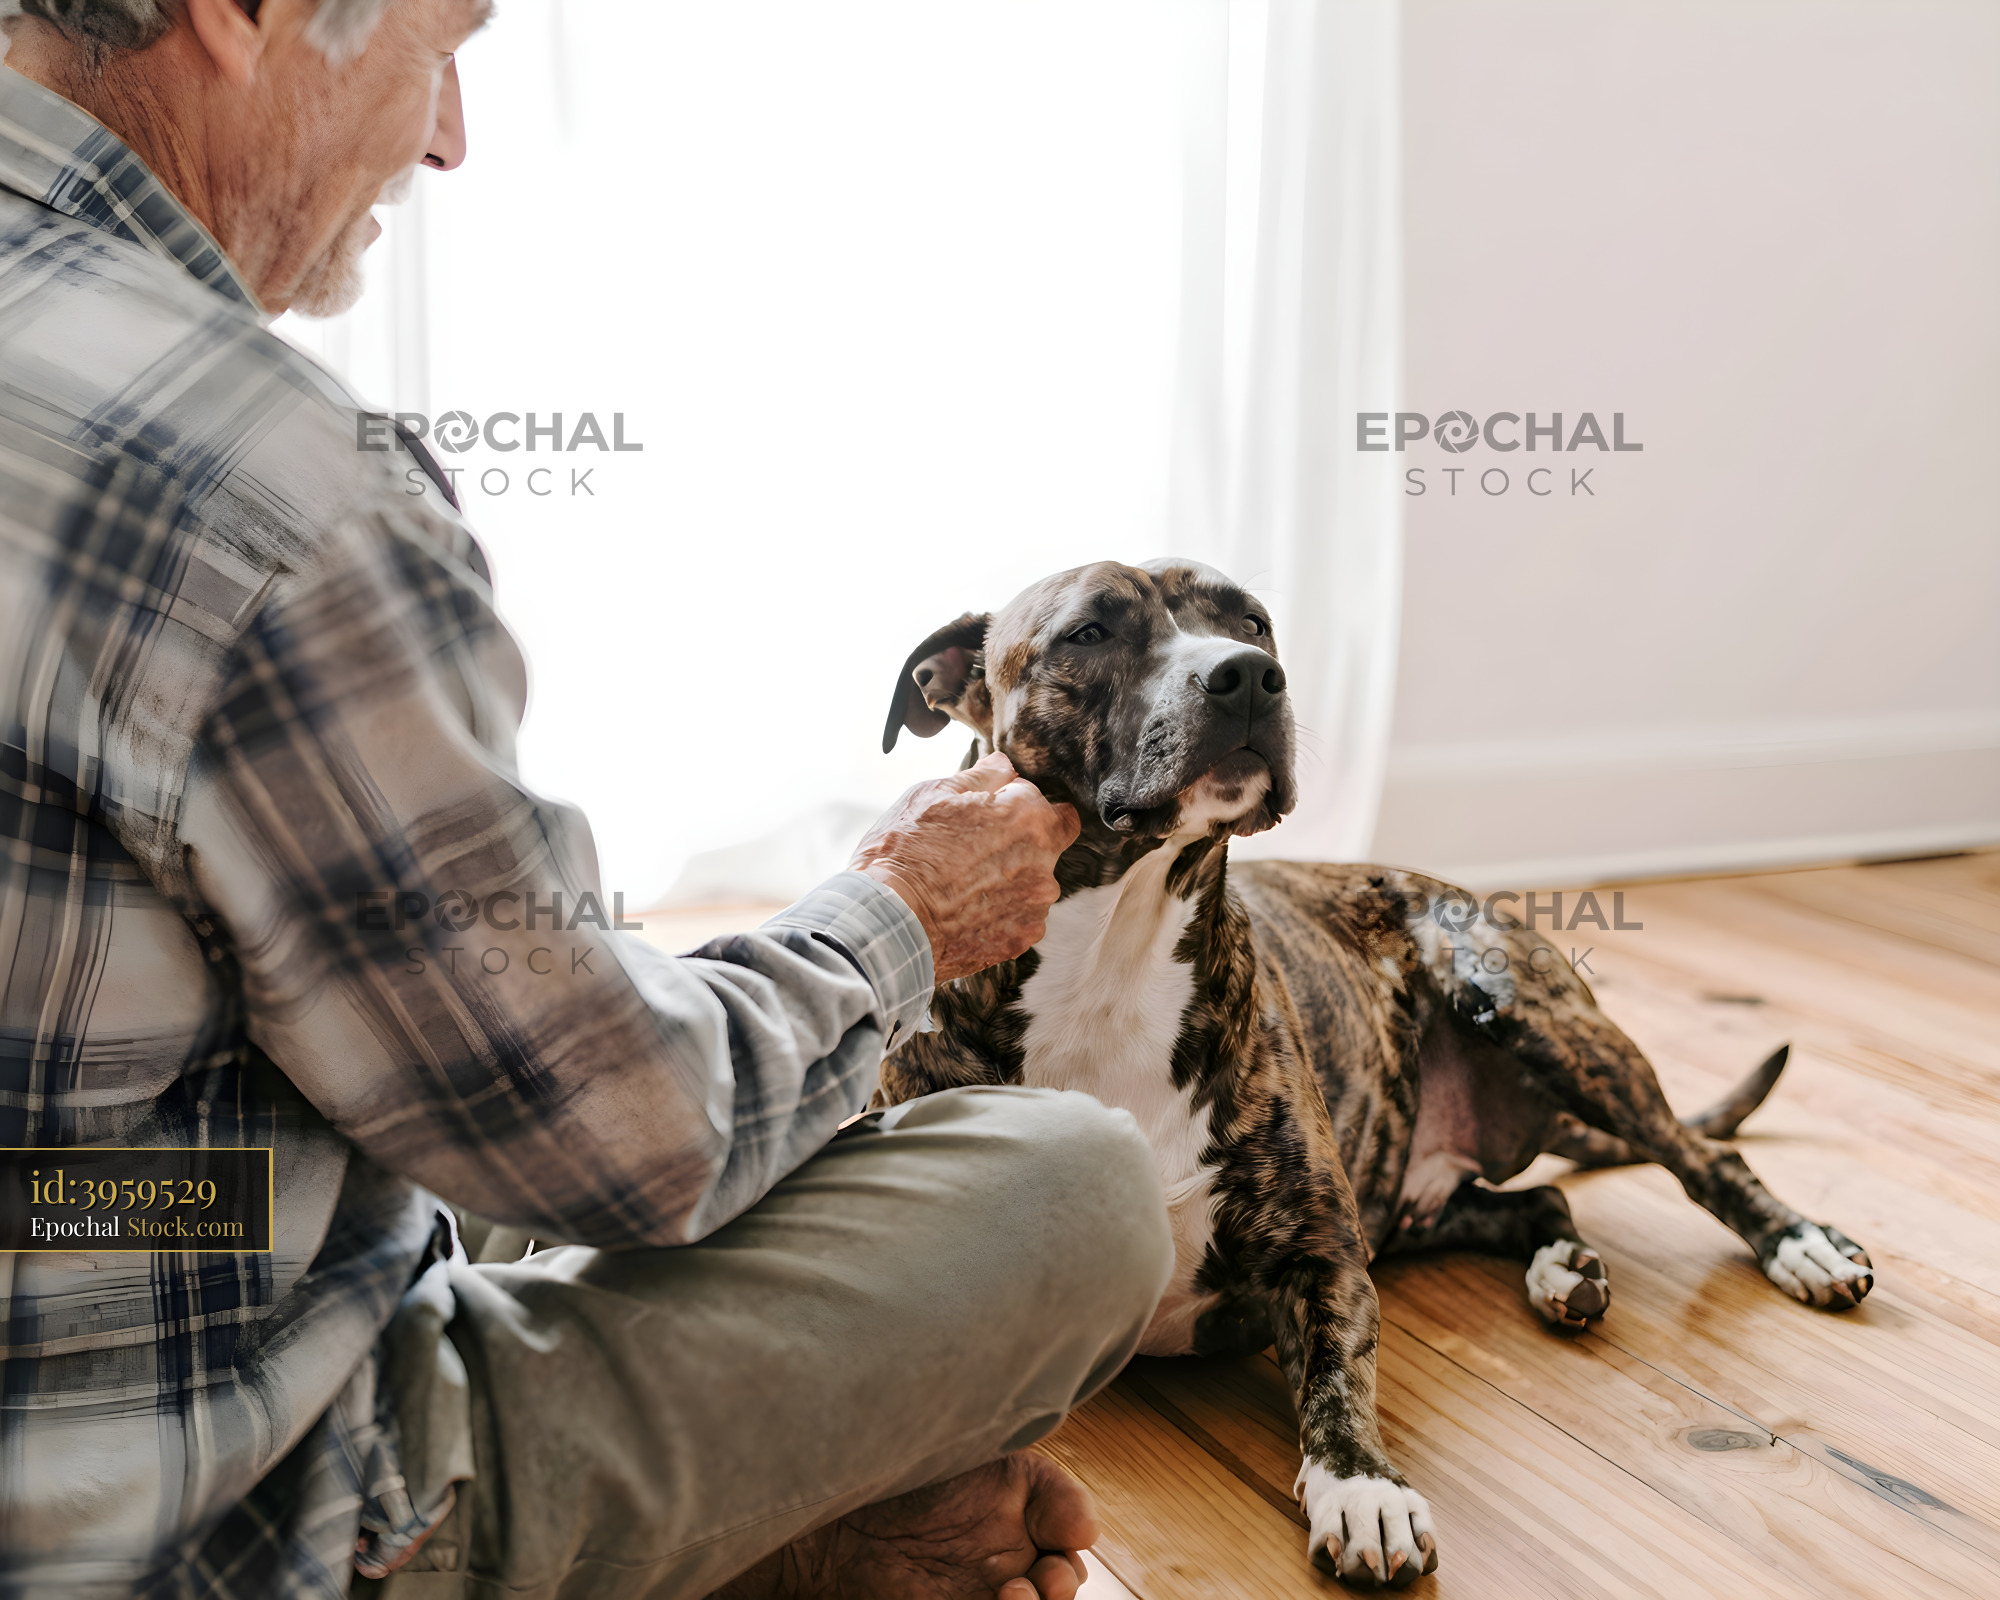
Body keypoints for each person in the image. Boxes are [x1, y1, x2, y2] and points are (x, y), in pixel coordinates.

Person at [0, 2, 1175, 1596]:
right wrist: (898, 912)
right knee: (1077, 1198)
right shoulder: (261, 478)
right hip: (200, 1524)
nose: (448, 133)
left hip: (82, 1235)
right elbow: (631, 1143)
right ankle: (750, 1539)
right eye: (443, 38)